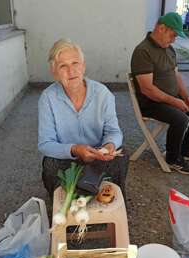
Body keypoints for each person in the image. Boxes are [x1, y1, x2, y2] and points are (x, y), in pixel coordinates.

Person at [38, 39, 128, 197]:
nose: (71, 71)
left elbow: (114, 131)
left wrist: (109, 146)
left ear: (83, 66)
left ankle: (108, 202)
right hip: (66, 157)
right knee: (50, 164)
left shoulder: (102, 94)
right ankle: (65, 208)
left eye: (75, 63)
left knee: (122, 156)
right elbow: (45, 144)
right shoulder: (48, 98)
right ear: (54, 72)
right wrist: (74, 149)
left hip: (98, 156)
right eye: (63, 66)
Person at [131, 12, 189, 175]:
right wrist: (175, 102)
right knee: (180, 119)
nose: (174, 39)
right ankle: (173, 159)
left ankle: (187, 149)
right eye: (173, 35)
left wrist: (186, 96)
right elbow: (147, 89)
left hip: (170, 99)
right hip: (151, 103)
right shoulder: (143, 51)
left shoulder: (169, 49)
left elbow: (177, 76)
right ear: (161, 28)